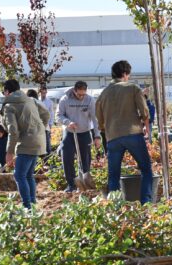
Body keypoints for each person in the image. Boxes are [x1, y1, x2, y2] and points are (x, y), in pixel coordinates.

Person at [95, 61, 154, 202]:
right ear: (125, 74)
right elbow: (144, 112)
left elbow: (99, 119)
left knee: (113, 175)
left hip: (112, 137)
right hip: (133, 133)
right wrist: (146, 128)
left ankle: (116, 206)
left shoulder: (103, 93)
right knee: (146, 169)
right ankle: (146, 203)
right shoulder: (132, 88)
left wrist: (106, 130)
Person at [1, 78, 50, 208]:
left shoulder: (9, 106)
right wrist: (40, 129)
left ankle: (27, 206)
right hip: (39, 140)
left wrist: (9, 152)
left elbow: (13, 131)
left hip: (26, 143)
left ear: (6, 91)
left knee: (19, 175)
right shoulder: (31, 100)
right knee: (28, 175)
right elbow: (46, 114)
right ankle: (32, 204)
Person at [57, 81, 97, 192]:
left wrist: (97, 136)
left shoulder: (89, 100)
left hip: (84, 133)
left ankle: (85, 183)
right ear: (74, 91)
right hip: (69, 133)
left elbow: (94, 119)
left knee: (85, 159)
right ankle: (71, 184)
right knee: (67, 156)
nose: (81, 97)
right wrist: (67, 122)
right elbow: (58, 116)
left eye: (83, 94)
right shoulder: (65, 99)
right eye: (79, 94)